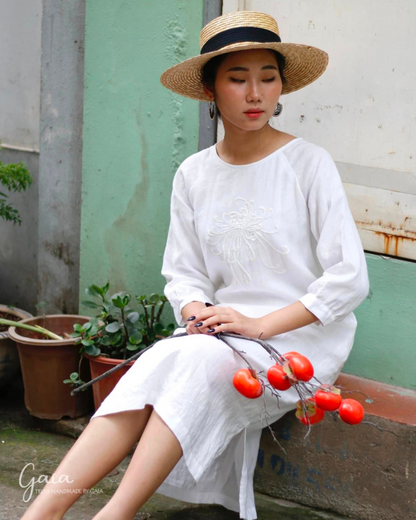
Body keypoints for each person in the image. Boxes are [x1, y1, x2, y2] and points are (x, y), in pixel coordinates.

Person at [20, 10, 370, 520]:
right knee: (160, 360)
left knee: (191, 363)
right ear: (210, 90)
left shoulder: (307, 164)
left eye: (268, 78)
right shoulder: (193, 174)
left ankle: (112, 514)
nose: (256, 94)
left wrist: (258, 324)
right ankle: (45, 512)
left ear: (280, 86)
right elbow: (182, 272)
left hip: (294, 342)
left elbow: (348, 278)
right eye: (237, 78)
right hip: (221, 335)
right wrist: (195, 310)